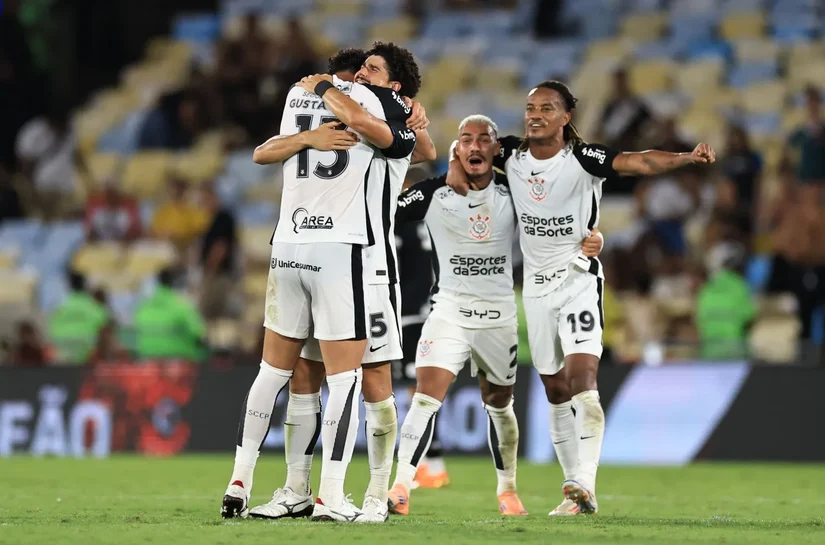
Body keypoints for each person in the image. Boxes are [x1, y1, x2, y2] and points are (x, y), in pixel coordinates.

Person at [447, 80, 716, 516]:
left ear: (566, 116)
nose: (535, 114)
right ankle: (575, 497)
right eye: (531, 107)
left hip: (578, 278)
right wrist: (454, 166)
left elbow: (639, 162)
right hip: (534, 287)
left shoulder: (584, 158)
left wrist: (686, 158)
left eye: (547, 108)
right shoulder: (510, 153)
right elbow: (466, 150)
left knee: (582, 384)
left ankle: (583, 481)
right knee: (554, 389)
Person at [221, 43, 427, 523]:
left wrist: (410, 111)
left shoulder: (344, 99)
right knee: (325, 378)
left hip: (353, 259)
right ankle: (314, 492)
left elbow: (424, 148)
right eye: (355, 73)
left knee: (367, 380)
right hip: (345, 253)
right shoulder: (352, 103)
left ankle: (376, 494)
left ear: (393, 84)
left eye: (370, 71)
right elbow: (264, 151)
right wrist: (314, 127)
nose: (359, 78)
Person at [387, 115, 603, 516]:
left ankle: (508, 489)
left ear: (495, 150)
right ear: (457, 150)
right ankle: (401, 486)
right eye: (465, 139)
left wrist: (591, 236)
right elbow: (382, 214)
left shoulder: (516, 191)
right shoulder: (433, 192)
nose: (474, 146)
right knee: (424, 398)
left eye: (483, 139)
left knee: (499, 405)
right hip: (448, 310)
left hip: (498, 316)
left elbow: (554, 220)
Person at [133, 269, 206, 362]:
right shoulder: (183, 307)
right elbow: (198, 334)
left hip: (147, 362)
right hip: (179, 363)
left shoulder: (143, 307)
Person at [48, 271, 109, 364]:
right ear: (85, 285)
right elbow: (104, 333)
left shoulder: (58, 307)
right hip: (87, 357)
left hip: (63, 357)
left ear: (69, 286)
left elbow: (51, 332)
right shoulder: (95, 307)